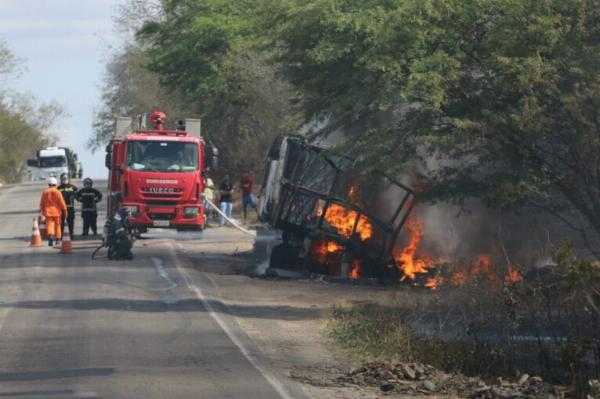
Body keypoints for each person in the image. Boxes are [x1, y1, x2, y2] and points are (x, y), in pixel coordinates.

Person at [39, 177, 68, 246]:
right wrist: (65, 210)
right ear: (55, 184)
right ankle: (58, 239)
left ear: (49, 184)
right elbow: (62, 202)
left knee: (49, 225)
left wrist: (42, 212)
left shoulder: (45, 192)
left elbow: (42, 203)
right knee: (58, 226)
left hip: (48, 212)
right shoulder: (58, 192)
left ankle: (51, 236)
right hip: (57, 212)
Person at [58, 173, 77, 239]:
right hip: (61, 209)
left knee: (70, 221)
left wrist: (74, 196)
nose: (65, 180)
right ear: (61, 179)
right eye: (63, 178)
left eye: (66, 178)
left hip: (70, 207)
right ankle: (61, 235)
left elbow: (78, 194)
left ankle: (71, 234)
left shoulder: (73, 187)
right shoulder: (59, 188)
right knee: (62, 222)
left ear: (68, 179)